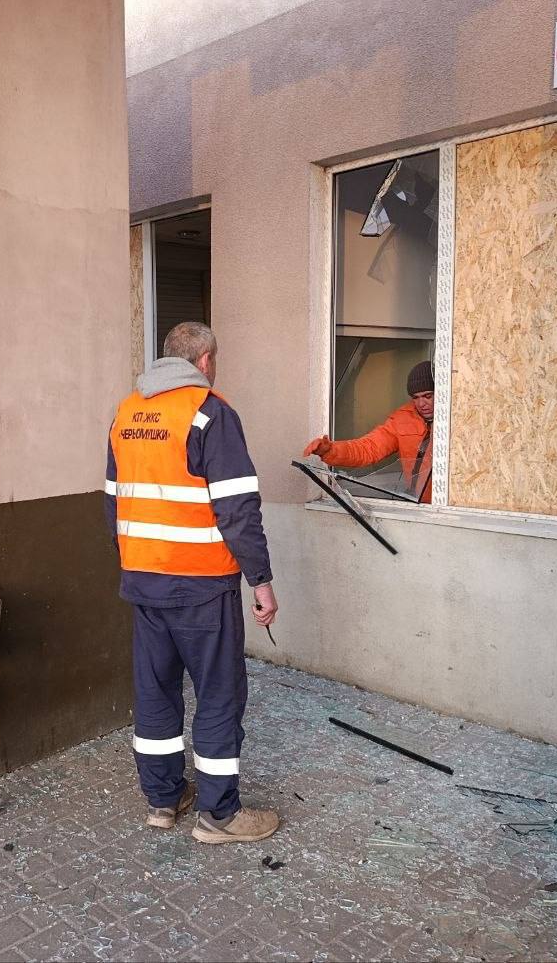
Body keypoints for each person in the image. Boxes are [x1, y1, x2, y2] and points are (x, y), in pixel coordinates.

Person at [106, 321, 281, 844]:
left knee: (155, 692)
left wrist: (136, 562)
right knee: (218, 694)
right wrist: (261, 581)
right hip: (202, 586)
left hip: (145, 582)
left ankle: (164, 800)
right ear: (204, 361)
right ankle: (219, 815)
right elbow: (238, 510)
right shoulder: (209, 413)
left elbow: (113, 502)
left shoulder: (126, 413)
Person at [303, 359, 435, 503]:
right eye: (415, 397)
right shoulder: (402, 419)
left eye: (428, 396)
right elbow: (368, 448)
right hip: (419, 504)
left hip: (448, 508)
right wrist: (330, 450)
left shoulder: (453, 421)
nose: (421, 404)